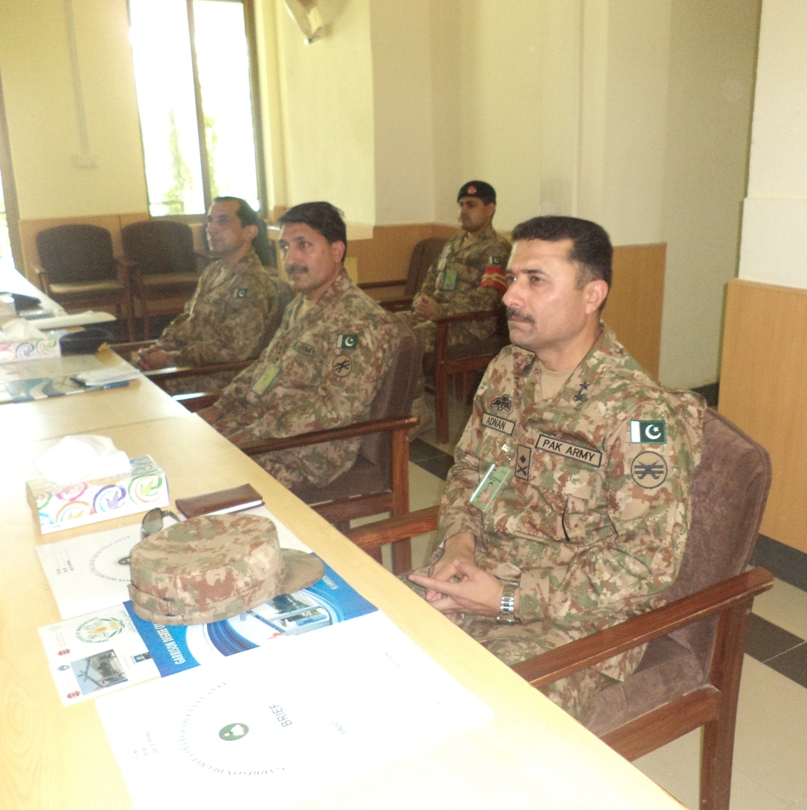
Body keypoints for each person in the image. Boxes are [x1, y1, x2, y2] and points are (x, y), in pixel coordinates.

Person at [407, 215, 706, 720]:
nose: (509, 296)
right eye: (512, 277)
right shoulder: (508, 368)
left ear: (592, 295)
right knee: (369, 649)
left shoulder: (638, 413)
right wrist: (459, 541)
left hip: (573, 623)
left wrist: (508, 599)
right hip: (481, 571)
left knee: (478, 723)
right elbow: (476, 470)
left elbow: (646, 564)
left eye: (536, 280)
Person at [199, 202, 402, 489]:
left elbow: (336, 408)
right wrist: (222, 406)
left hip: (306, 451)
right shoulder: (300, 305)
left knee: (206, 477)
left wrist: (257, 432)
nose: (290, 259)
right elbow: (267, 366)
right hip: (263, 424)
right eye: (285, 247)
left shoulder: (358, 321)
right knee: (188, 448)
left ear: (336, 251)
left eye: (303, 245)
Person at [137, 197, 287, 393]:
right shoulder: (213, 271)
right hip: (187, 366)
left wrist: (170, 359)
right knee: (125, 379)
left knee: (137, 390)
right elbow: (188, 318)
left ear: (249, 232)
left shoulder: (252, 282)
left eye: (222, 221)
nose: (211, 229)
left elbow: (232, 350)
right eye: (209, 221)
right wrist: (160, 347)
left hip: (218, 379)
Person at [397, 180, 511, 356]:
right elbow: (431, 277)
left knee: (403, 341)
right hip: (434, 316)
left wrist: (440, 310)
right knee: (386, 325)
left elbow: (489, 298)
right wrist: (422, 301)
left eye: (471, 205)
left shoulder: (496, 248)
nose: (463, 210)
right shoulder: (453, 243)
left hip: (465, 325)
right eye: (461, 205)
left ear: (489, 209)